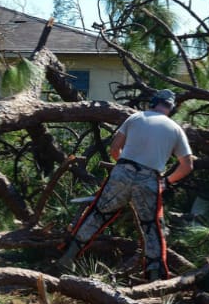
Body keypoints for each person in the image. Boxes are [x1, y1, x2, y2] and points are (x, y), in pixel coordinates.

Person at [57, 89, 193, 281]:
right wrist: (166, 181)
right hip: (149, 178)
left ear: (153, 102)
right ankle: (154, 278)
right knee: (151, 227)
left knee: (98, 214)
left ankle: (68, 257)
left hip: (123, 170)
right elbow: (187, 165)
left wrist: (124, 169)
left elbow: (114, 149)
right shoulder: (175, 129)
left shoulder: (135, 118)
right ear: (170, 108)